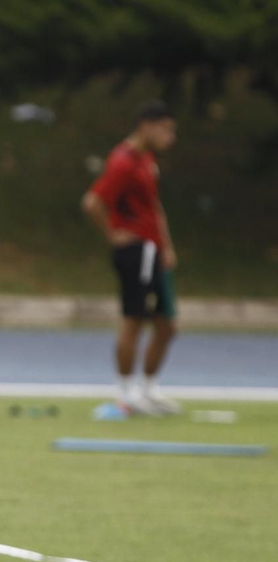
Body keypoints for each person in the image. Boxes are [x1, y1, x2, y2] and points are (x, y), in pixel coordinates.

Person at [81, 101, 181, 415]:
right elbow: (93, 202)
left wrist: (166, 245)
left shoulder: (146, 160)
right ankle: (125, 393)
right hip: (136, 252)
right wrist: (114, 234)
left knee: (167, 325)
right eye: (165, 129)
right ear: (145, 125)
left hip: (153, 250)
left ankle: (149, 389)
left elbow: (153, 206)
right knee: (134, 320)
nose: (170, 137)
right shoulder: (123, 162)